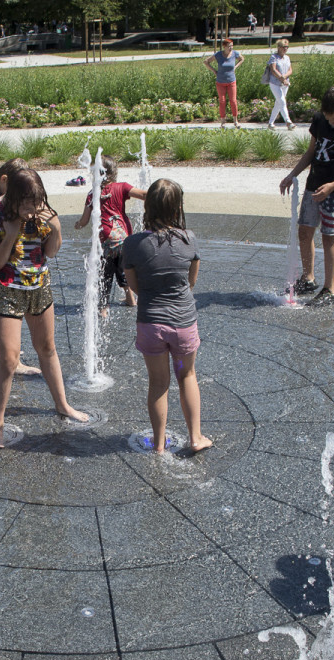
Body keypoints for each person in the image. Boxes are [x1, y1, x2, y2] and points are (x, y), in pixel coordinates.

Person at [0, 168, 88, 448]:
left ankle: (63, 405)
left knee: (47, 348)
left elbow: (51, 251)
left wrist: (56, 227)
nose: (33, 209)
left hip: (39, 288)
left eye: (37, 202)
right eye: (27, 204)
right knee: (7, 359)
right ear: (13, 198)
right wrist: (11, 234)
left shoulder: (43, 211)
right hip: (7, 291)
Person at [123, 179, 213, 455]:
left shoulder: (133, 244)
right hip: (184, 322)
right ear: (178, 207)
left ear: (147, 206)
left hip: (150, 323)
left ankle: (159, 445)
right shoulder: (189, 239)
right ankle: (195, 437)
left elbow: (134, 286)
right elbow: (191, 282)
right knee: (187, 376)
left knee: (158, 383)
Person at [277, 86, 334, 308]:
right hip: (314, 185)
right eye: (328, 118)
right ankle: (308, 279)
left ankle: (330, 289)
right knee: (305, 231)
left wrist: (333, 186)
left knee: (329, 237)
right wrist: (292, 174)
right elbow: (311, 152)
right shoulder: (320, 120)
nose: (332, 123)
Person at [0, 159, 40, 376]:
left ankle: (2, 353)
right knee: (3, 301)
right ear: (5, 181)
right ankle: (8, 356)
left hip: (4, 247)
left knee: (0, 302)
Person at [73, 155, 147, 315]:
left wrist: (78, 225)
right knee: (123, 268)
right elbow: (144, 194)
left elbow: (85, 220)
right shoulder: (122, 187)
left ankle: (104, 308)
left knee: (105, 274)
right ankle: (131, 299)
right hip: (124, 238)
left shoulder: (92, 194)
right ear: (114, 173)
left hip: (105, 239)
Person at [204, 39, 244, 128]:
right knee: (222, 101)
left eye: (232, 46)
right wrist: (214, 71)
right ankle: (222, 122)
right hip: (220, 82)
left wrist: (235, 67)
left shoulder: (234, 54)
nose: (231, 48)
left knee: (233, 101)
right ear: (224, 47)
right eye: (229, 46)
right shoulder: (219, 55)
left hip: (231, 81)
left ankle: (235, 121)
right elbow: (206, 62)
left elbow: (242, 59)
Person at [266, 39, 295, 130]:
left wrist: (285, 77)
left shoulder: (287, 58)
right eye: (283, 47)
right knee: (282, 101)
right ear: (279, 47)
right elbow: (273, 70)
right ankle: (288, 121)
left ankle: (271, 123)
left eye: (287, 47)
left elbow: (290, 70)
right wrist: (282, 78)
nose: (285, 49)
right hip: (275, 83)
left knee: (278, 103)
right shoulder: (274, 57)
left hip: (285, 83)